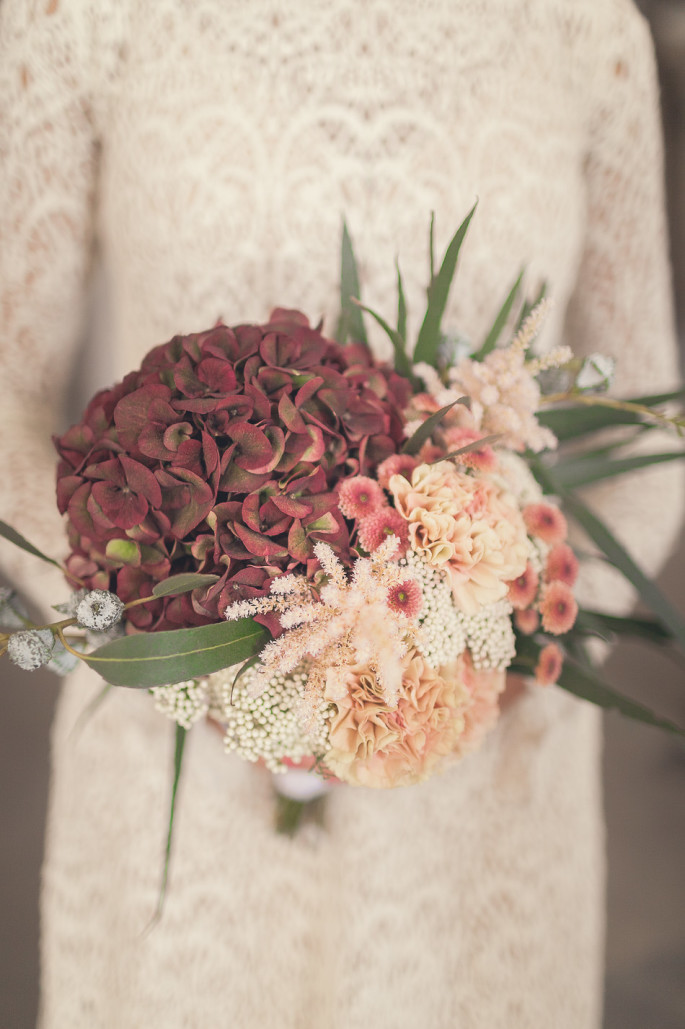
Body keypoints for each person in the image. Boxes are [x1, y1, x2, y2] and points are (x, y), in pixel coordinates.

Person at [0, 1, 682, 1026]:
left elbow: (652, 423)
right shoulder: (80, 18)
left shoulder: (583, 33)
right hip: (178, 737)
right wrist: (169, 644)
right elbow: (8, 395)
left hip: (477, 748)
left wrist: (485, 641)